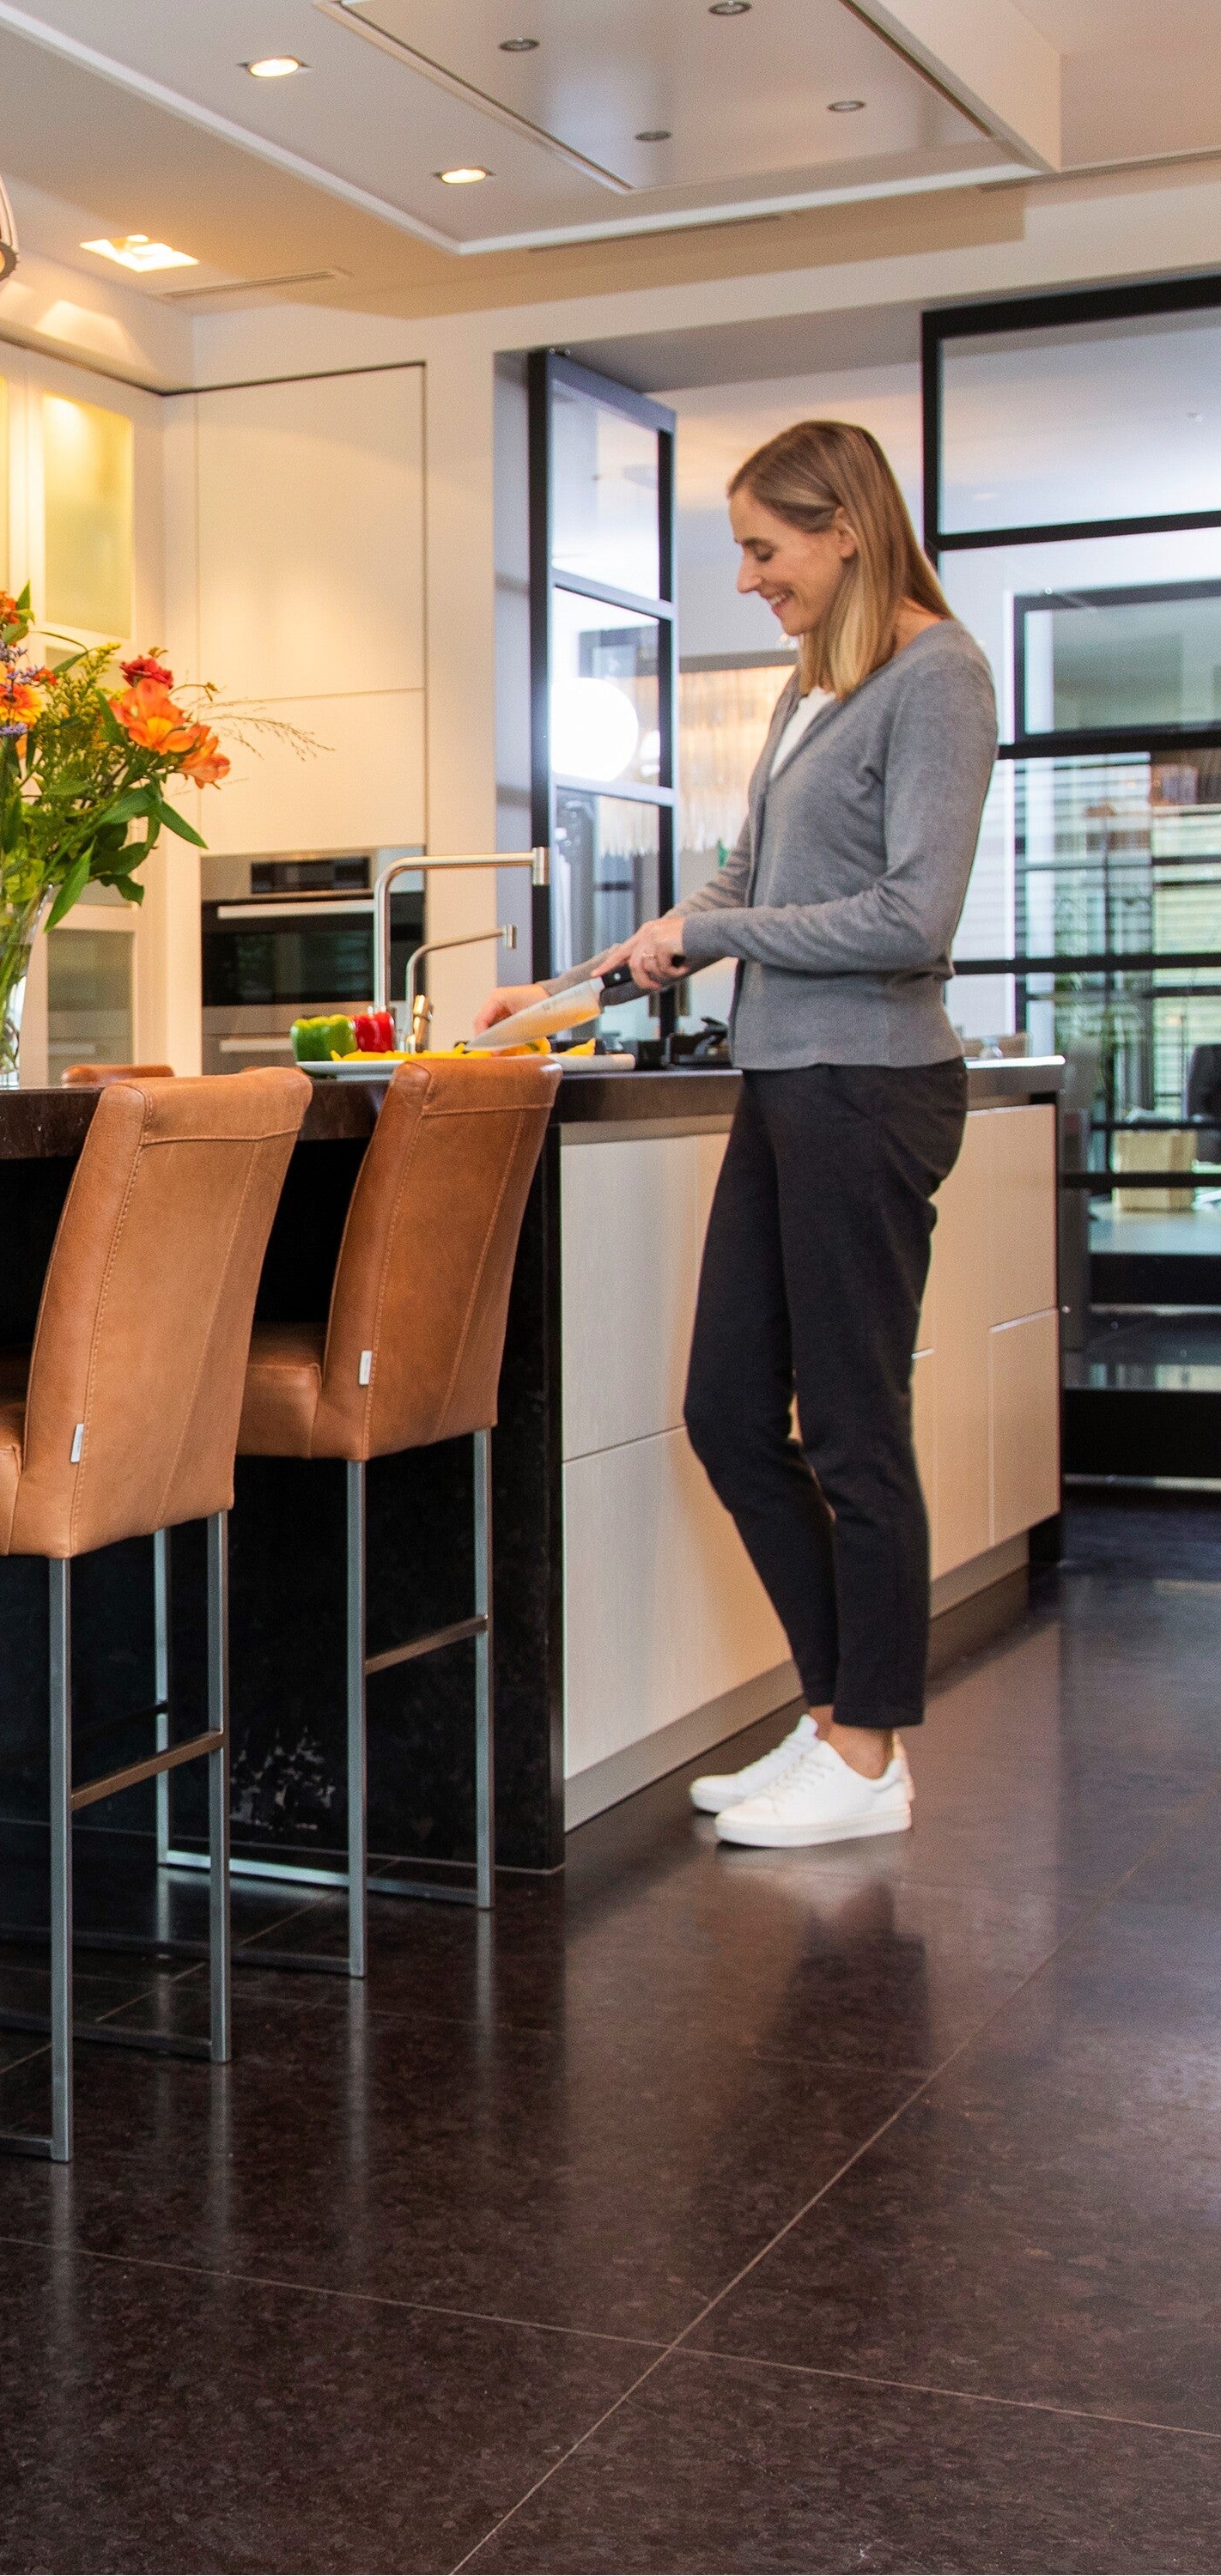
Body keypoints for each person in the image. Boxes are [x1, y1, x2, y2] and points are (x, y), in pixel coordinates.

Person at [479, 418, 996, 1847]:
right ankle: (836, 1719)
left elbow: (913, 916)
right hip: (786, 1082)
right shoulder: (812, 684)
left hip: (871, 1087)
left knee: (853, 1430)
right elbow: (737, 882)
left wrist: (724, 931)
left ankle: (870, 1752)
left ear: (846, 529)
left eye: (767, 550)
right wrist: (568, 985)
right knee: (725, 1412)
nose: (753, 578)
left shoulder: (939, 675)